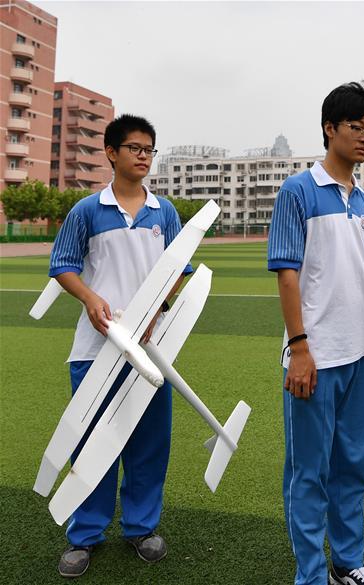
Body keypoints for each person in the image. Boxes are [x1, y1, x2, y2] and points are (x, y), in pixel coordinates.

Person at [50, 114, 189, 578]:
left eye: (149, 149)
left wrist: (158, 309)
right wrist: (90, 298)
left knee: (149, 444)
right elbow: (63, 264)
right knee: (91, 444)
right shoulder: (87, 211)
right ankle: (85, 534)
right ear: (111, 153)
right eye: (134, 148)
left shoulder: (164, 213)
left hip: (151, 351)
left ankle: (141, 527)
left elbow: (180, 270)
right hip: (96, 350)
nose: (143, 156)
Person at [267, 81, 364, 585]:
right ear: (329, 128)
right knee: (309, 472)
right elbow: (287, 271)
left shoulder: (363, 200)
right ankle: (311, 574)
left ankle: (348, 563)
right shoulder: (298, 191)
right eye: (356, 127)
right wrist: (299, 348)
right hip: (314, 355)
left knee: (353, 467)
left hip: (358, 353)